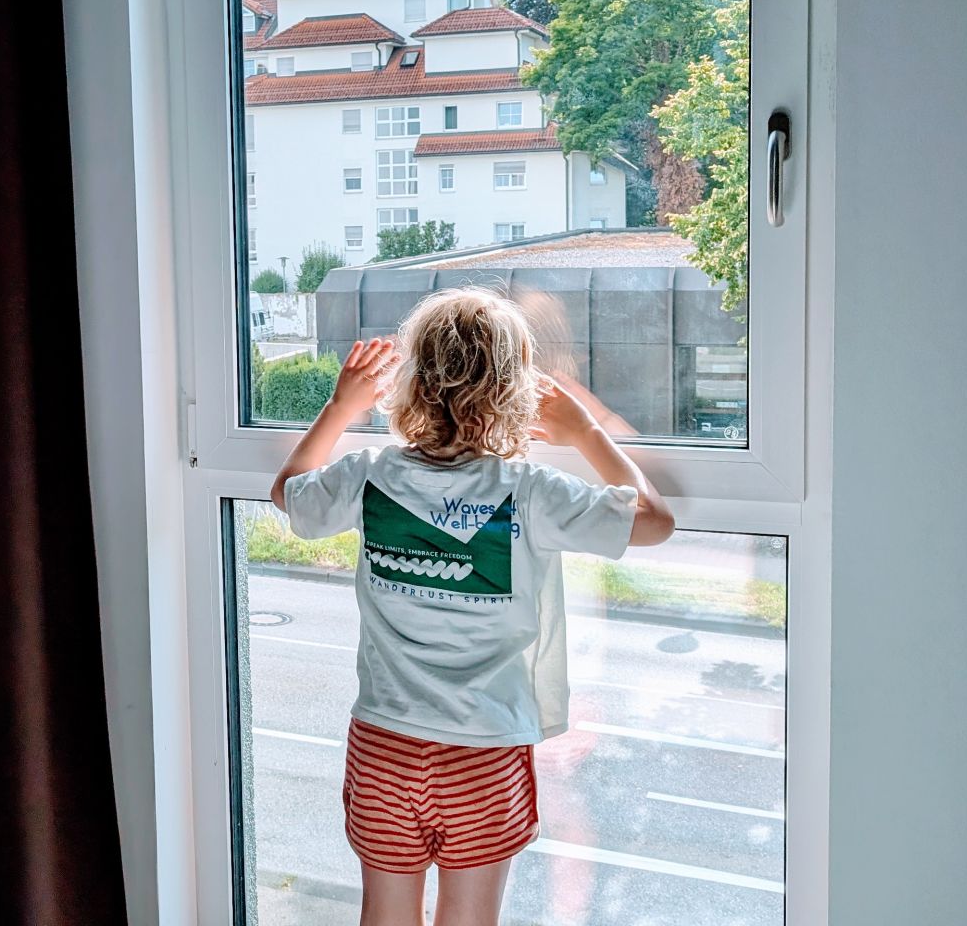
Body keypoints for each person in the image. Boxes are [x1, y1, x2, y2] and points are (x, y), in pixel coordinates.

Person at [270, 287, 675, 926]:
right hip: (483, 752)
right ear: (516, 392)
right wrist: (584, 431)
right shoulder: (529, 490)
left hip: (384, 743)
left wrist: (340, 407)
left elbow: (288, 493)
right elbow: (654, 521)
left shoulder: (369, 474)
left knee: (385, 914)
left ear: (409, 384)